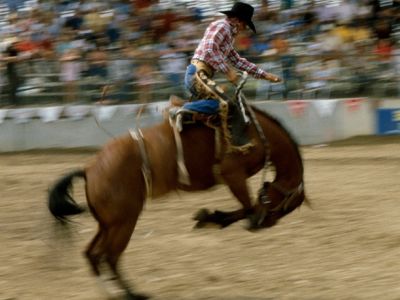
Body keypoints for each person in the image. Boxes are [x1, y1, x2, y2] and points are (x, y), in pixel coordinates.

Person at [184, 1, 281, 103]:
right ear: (238, 21)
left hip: (201, 75)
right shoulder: (222, 26)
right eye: (245, 25)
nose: (244, 29)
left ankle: (183, 108)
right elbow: (210, 47)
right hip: (197, 74)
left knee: (223, 107)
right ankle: (178, 110)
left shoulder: (228, 36)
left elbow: (237, 61)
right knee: (222, 103)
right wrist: (228, 71)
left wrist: (264, 75)